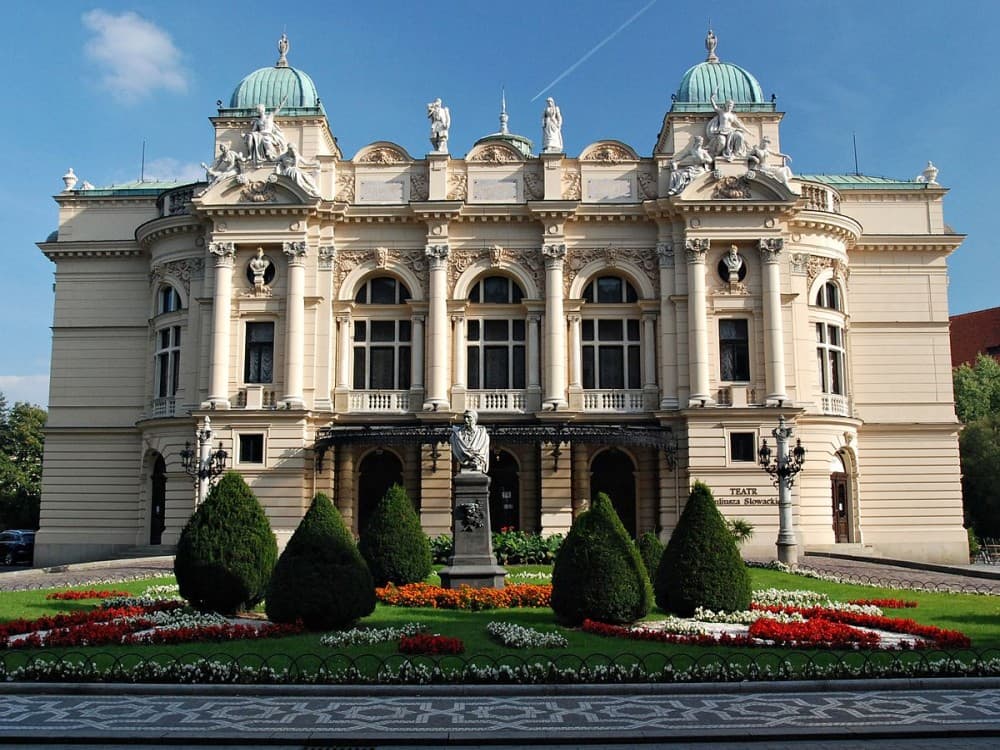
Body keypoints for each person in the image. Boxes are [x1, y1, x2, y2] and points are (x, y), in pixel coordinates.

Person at [706, 93, 751, 160]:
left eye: (731, 105)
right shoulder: (721, 112)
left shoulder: (733, 116)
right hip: (722, 131)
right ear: (725, 105)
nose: (729, 106)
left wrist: (749, 132)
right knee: (722, 143)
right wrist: (711, 98)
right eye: (728, 105)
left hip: (730, 130)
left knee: (740, 136)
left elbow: (740, 125)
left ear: (732, 106)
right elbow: (715, 107)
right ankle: (715, 154)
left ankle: (737, 153)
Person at [451, 409, 489, 473]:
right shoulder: (456, 436)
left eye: (468, 417)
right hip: (464, 465)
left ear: (474, 419)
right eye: (465, 417)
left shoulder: (484, 436)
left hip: (477, 464)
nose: (466, 420)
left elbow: (482, 452)